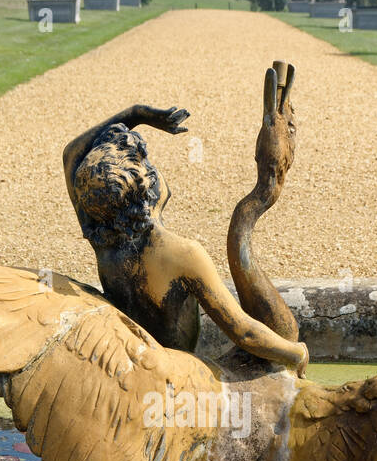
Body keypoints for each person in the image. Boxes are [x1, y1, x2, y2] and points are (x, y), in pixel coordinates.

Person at [62, 103, 308, 372]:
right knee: (282, 342)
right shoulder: (181, 254)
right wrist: (296, 353)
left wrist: (135, 115)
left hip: (135, 367)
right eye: (148, 164)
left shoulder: (102, 233)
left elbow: (71, 154)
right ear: (150, 185)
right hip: (174, 374)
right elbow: (245, 333)